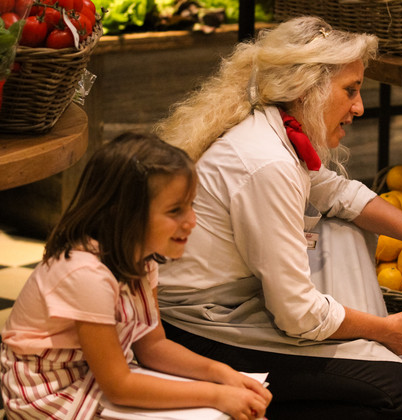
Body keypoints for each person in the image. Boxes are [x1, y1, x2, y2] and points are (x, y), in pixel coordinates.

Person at [154, 16, 402, 419]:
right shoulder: (267, 162)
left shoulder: (276, 133)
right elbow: (297, 314)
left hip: (231, 305)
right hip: (197, 328)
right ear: (307, 89)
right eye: (351, 91)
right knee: (390, 387)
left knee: (342, 230)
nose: (358, 108)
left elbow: (339, 194)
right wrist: (384, 330)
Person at [0, 133, 272, 420]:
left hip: (99, 376)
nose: (191, 221)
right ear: (126, 214)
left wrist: (221, 374)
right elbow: (119, 387)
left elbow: (153, 346)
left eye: (191, 205)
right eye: (175, 210)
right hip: (51, 393)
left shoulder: (142, 257)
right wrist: (216, 395)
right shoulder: (87, 274)